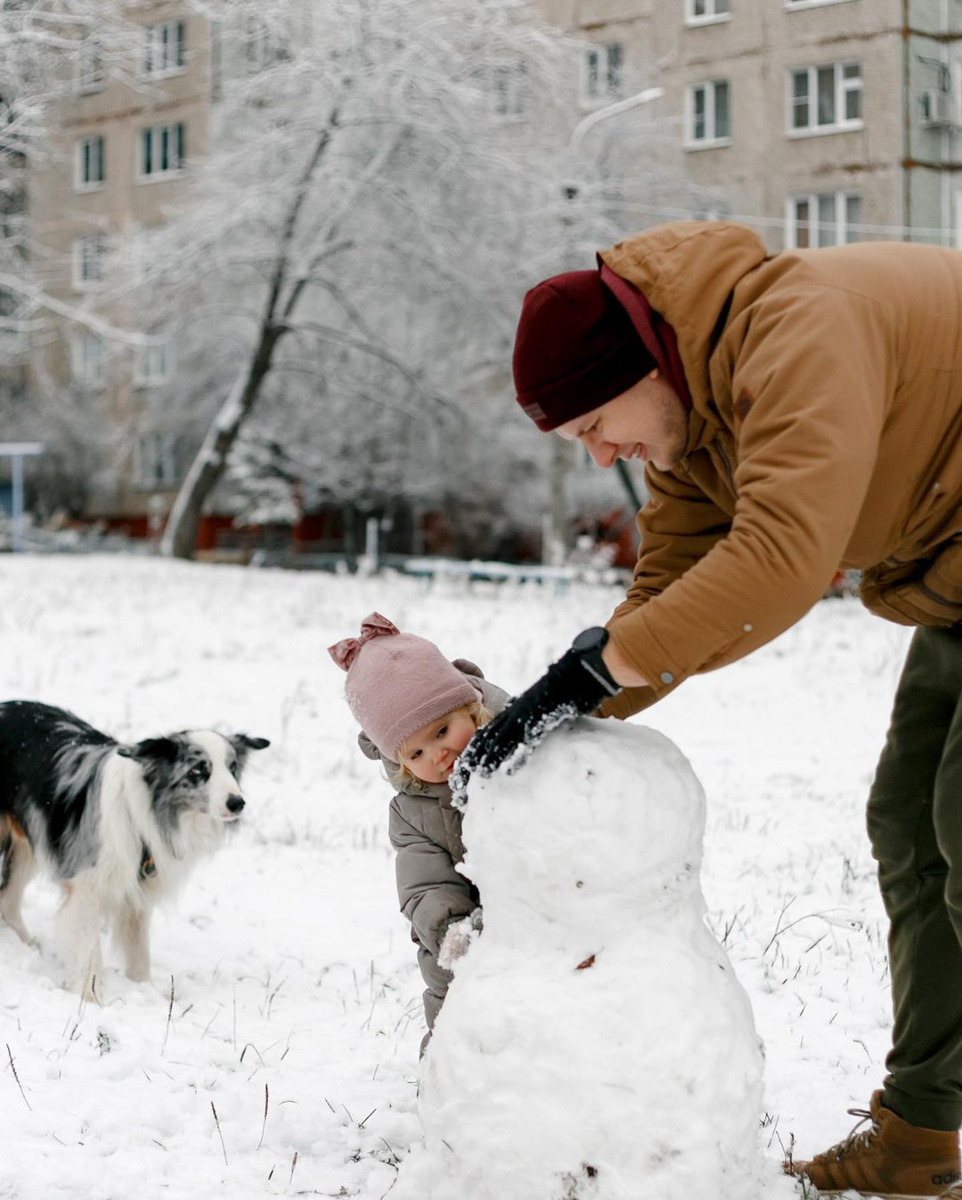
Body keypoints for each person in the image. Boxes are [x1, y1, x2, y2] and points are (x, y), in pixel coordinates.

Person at [456, 219, 962, 1199]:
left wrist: (595, 675)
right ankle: (919, 1136)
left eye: (595, 423)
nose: (603, 450)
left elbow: (779, 557)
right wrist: (562, 708)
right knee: (909, 827)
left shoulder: (797, 331)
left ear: (641, 362)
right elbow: (668, 589)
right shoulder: (693, 412)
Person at [328, 612, 507, 1053]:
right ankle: (452, 1070)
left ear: (473, 706)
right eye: (418, 751)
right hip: (468, 928)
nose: (439, 753)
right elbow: (423, 882)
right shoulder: (413, 812)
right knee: (453, 993)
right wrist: (451, 928)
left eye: (444, 730)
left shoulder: (522, 753)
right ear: (400, 763)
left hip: (544, 906)